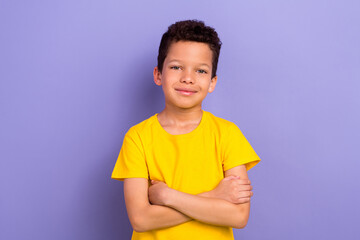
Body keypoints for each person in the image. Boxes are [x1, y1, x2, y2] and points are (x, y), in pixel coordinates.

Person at [111, 19, 261, 240]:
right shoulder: (138, 137)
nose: (188, 78)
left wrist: (168, 196)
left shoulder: (228, 134)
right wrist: (214, 196)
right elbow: (141, 219)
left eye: (200, 70)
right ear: (158, 74)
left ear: (212, 82)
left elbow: (238, 216)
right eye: (176, 67)